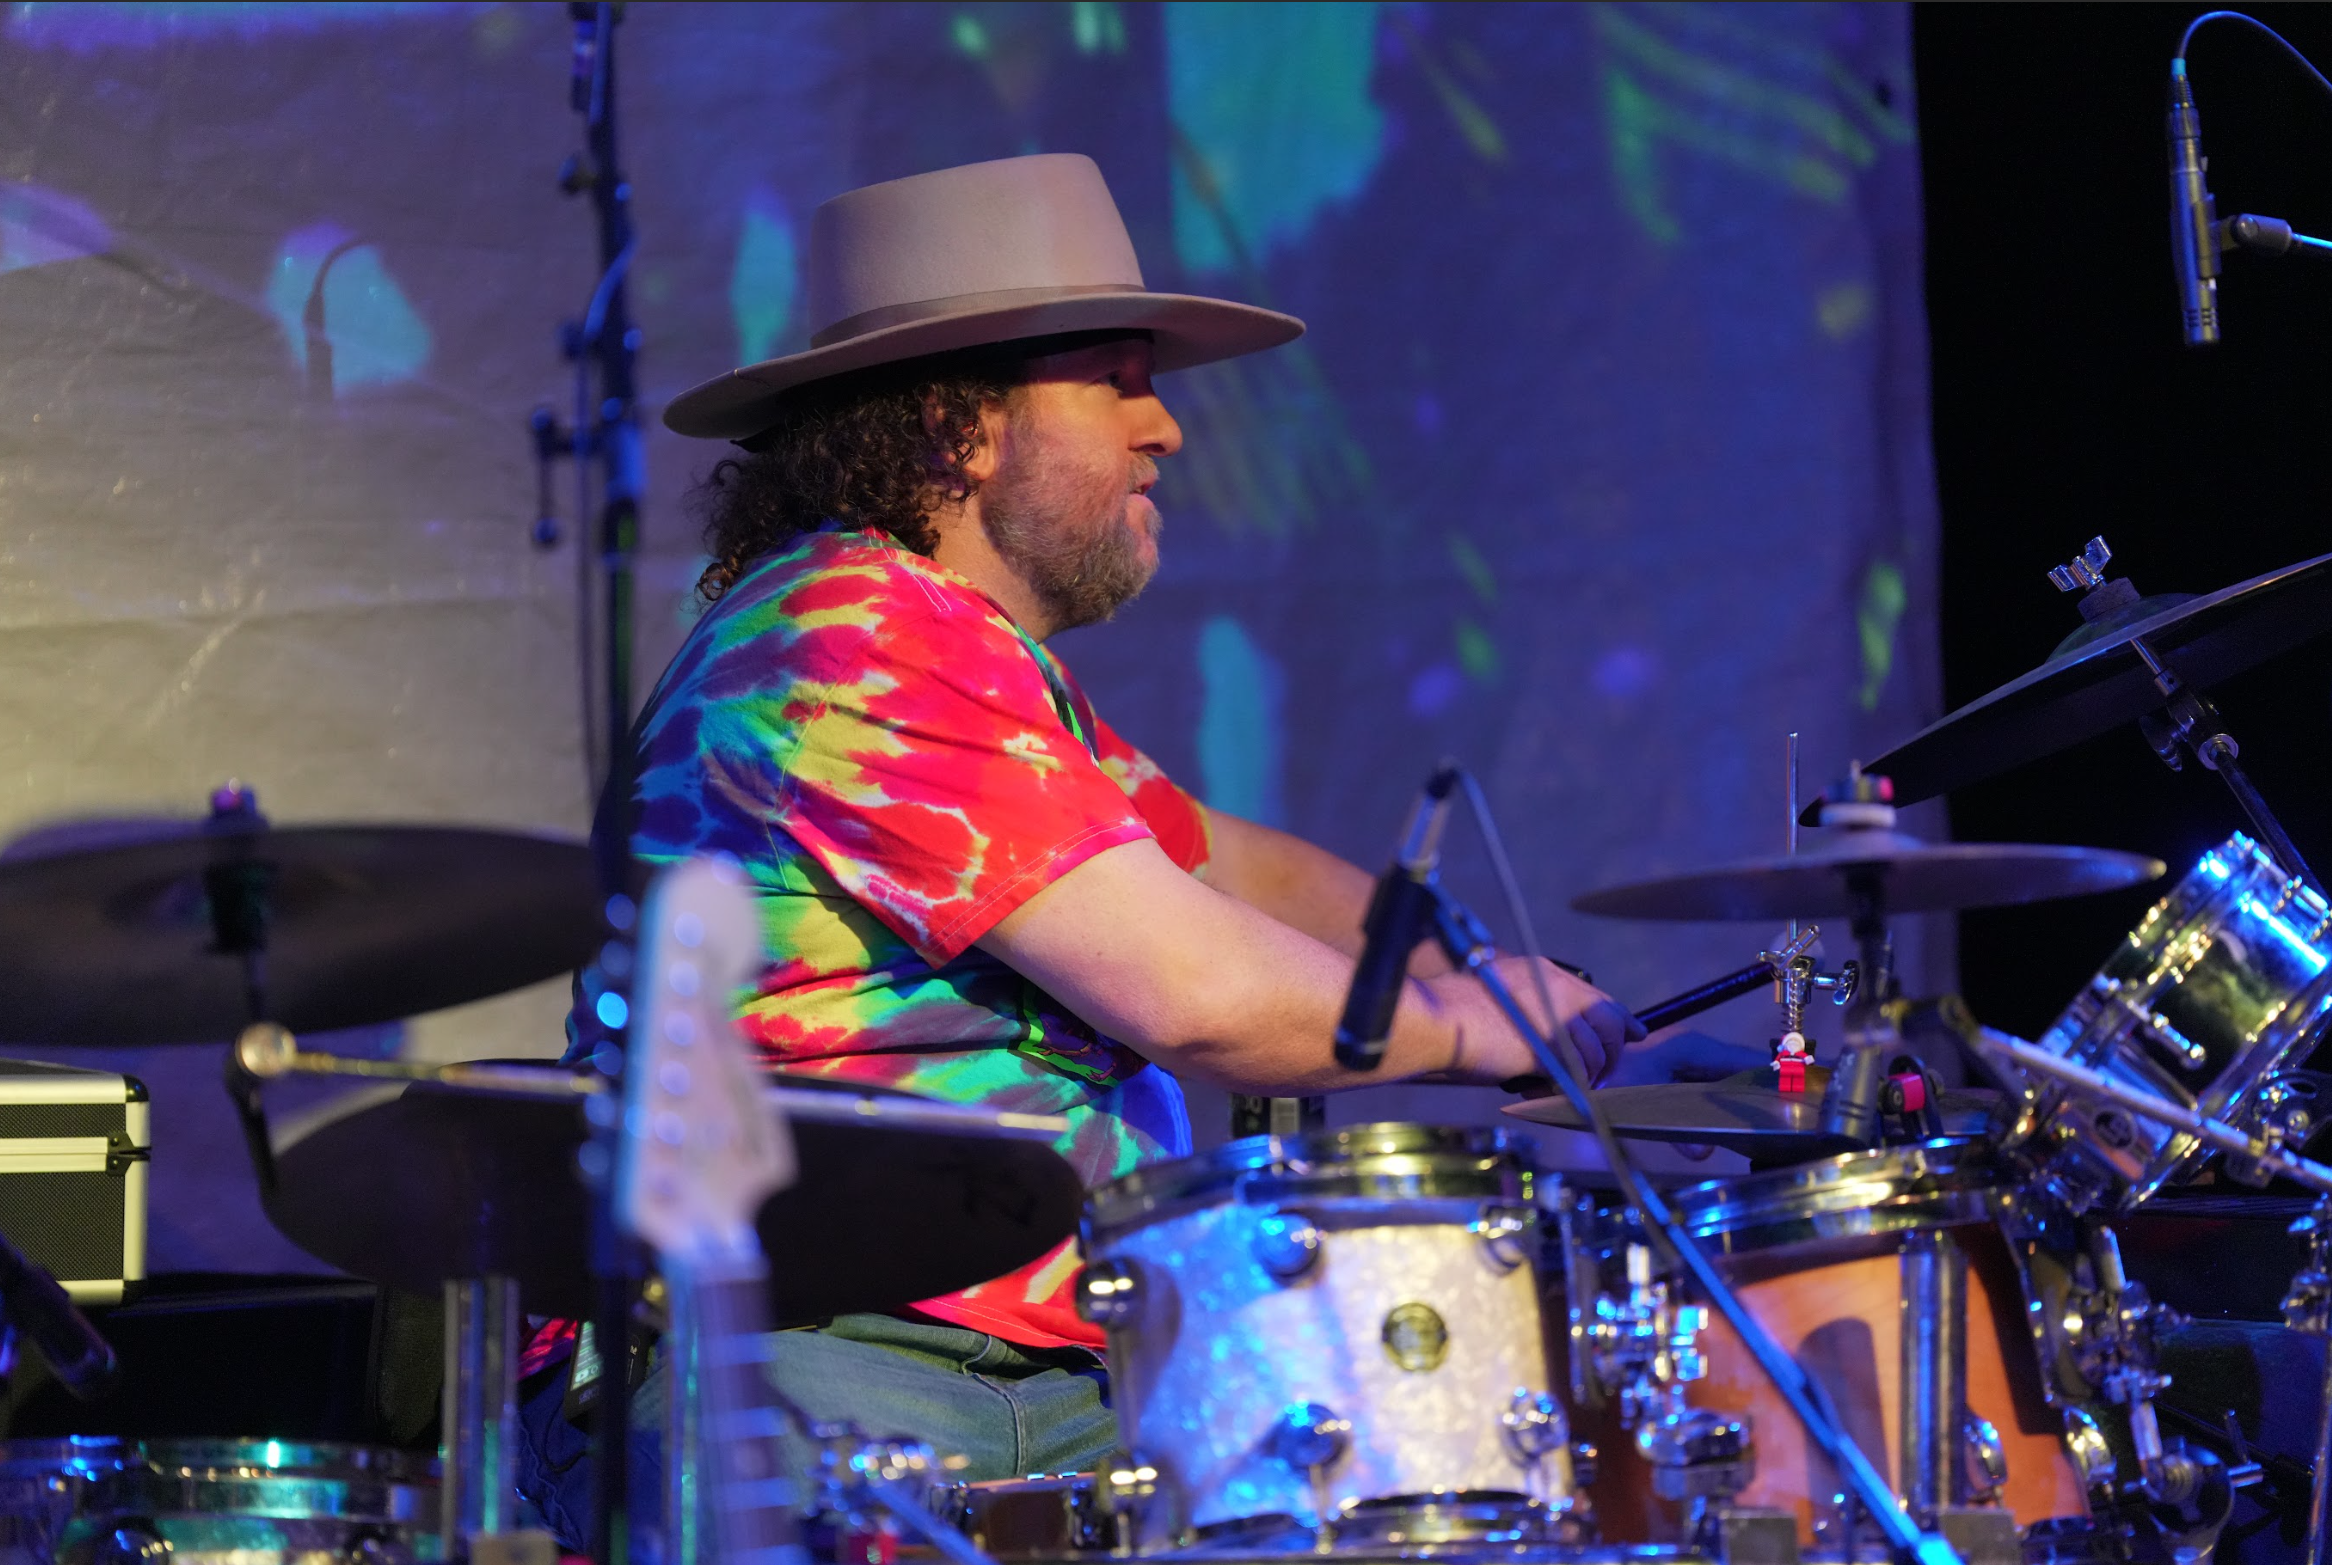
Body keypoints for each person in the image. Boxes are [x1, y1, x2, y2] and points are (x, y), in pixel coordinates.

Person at [514, 153, 1641, 1543]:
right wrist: (1473, 1025)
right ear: (957, 427)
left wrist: (1496, 976)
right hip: (822, 1359)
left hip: (990, 1365)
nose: (1163, 427)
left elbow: (1214, 864)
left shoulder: (952, 651)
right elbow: (1201, 994)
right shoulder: (855, 639)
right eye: (1116, 379)